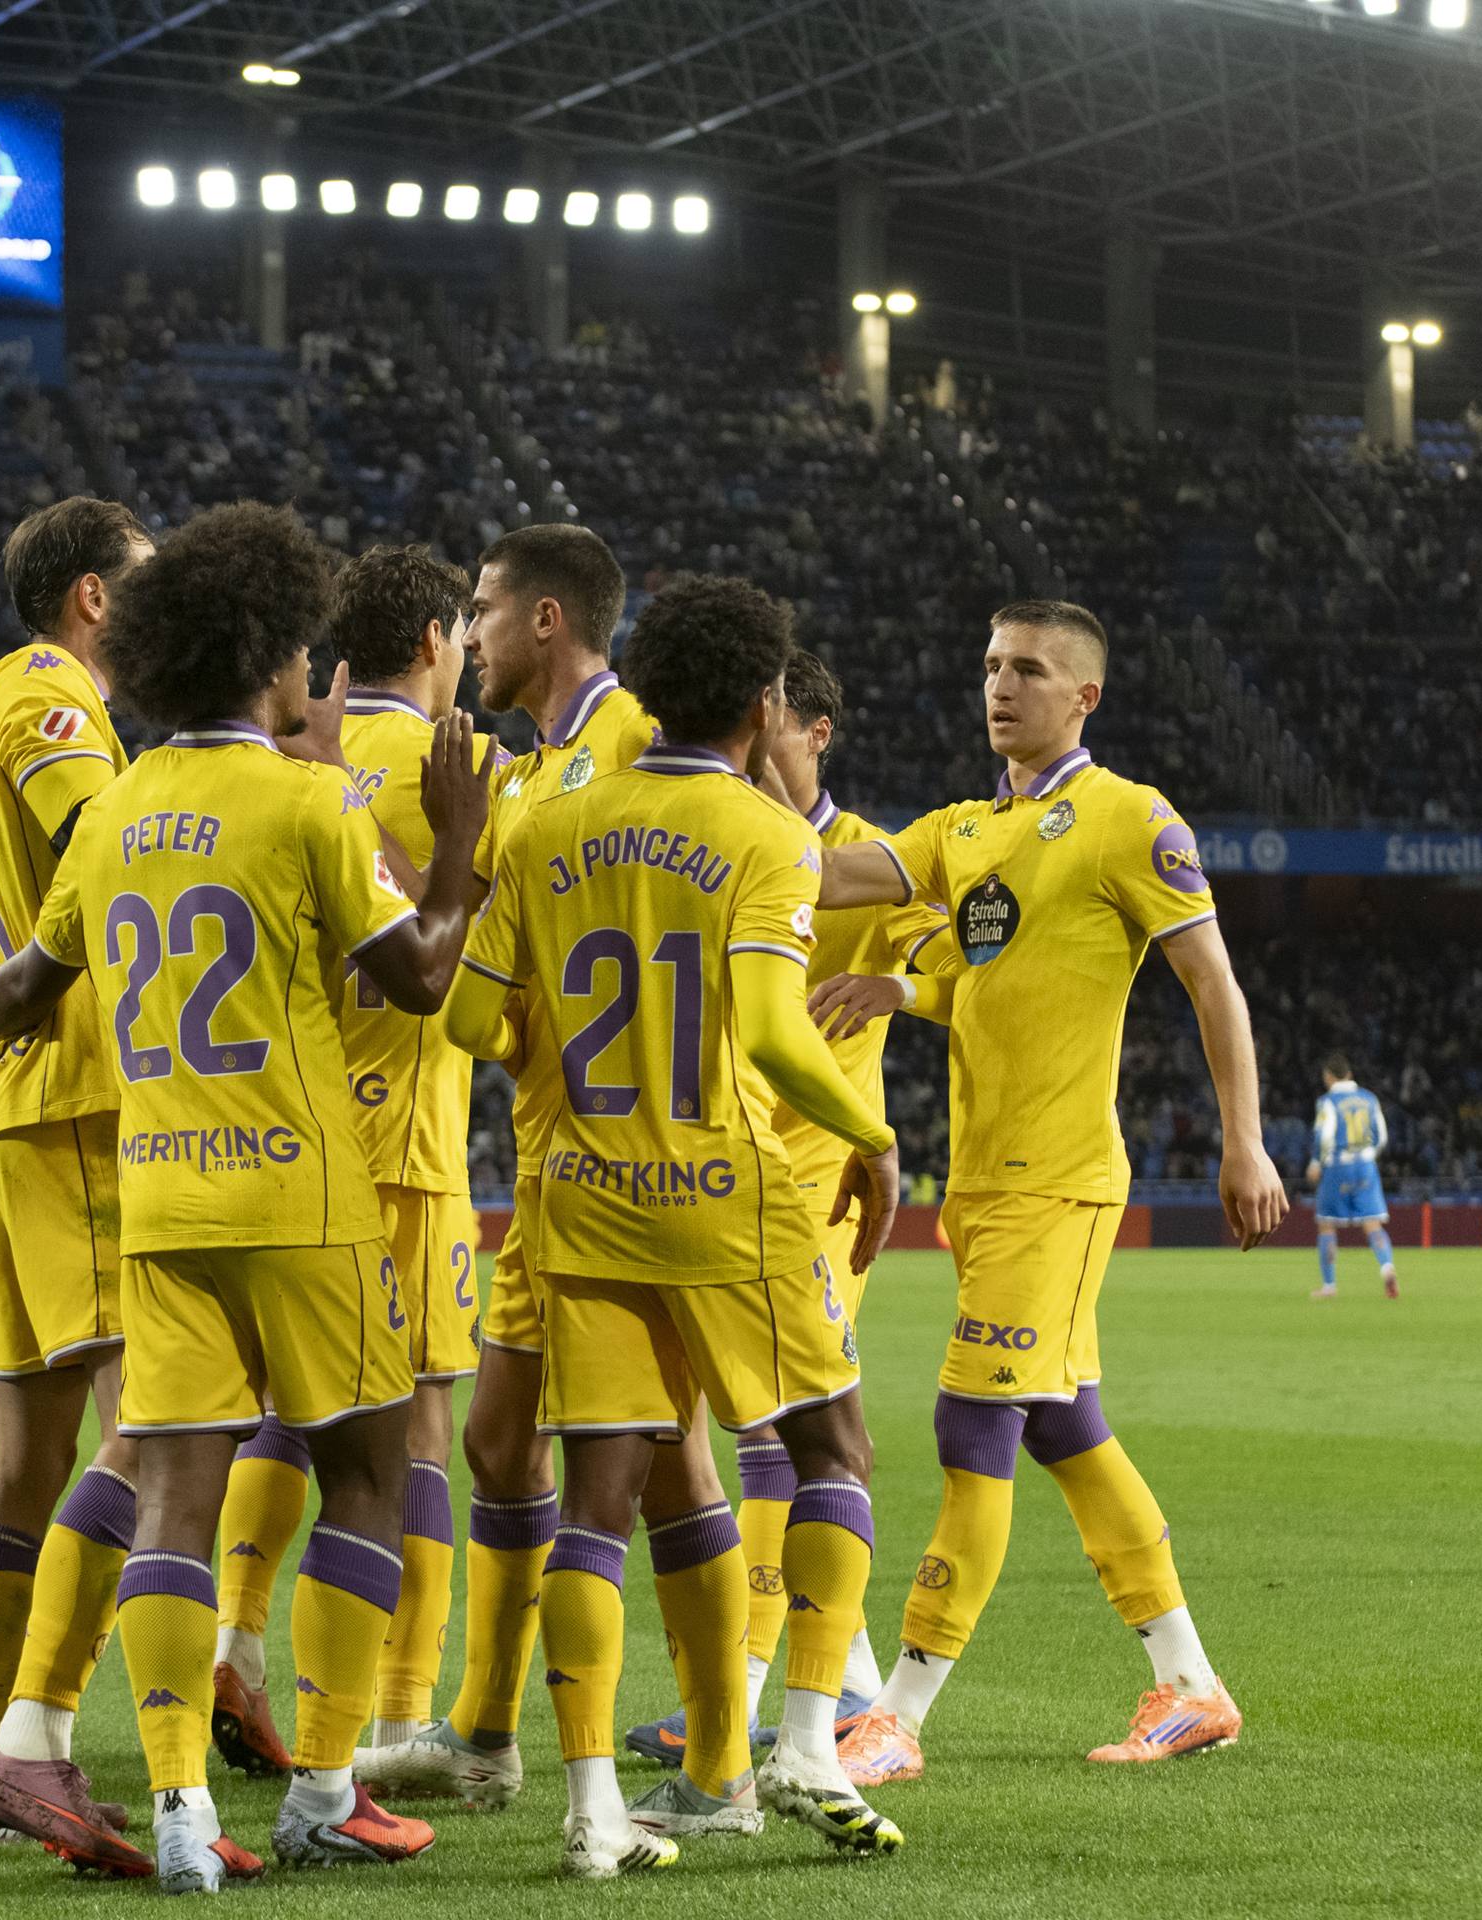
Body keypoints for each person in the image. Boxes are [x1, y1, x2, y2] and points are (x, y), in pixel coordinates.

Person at [0, 502, 491, 1893]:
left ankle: (187, 1812)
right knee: (370, 1477)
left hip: (164, 1207)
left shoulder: (117, 810)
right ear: (265, 661)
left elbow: (9, 993)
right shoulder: (307, 799)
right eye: (305, 655)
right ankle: (324, 1788)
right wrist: (458, 845)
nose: (317, 678)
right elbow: (423, 976)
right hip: (307, 1196)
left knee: (172, 1505)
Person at [438, 575, 906, 1874]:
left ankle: (593, 1809)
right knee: (835, 1454)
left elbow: (473, 1025)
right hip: (726, 1197)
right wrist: (872, 1139)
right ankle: (806, 1737)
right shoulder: (770, 842)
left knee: (592, 1504)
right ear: (766, 708)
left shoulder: (543, 827)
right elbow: (768, 1031)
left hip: (581, 1203)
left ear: (642, 696)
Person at [807, 599, 1287, 1781]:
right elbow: (842, 874)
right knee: (1068, 1427)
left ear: (1085, 697)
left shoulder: (1131, 819)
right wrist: (900, 991)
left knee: (969, 1421)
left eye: (1027, 668)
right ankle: (1190, 1688)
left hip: (1060, 1180)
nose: (999, 686)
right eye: (988, 665)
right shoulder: (967, 829)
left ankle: (898, 1715)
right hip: (983, 1183)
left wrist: (1246, 1144)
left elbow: (1214, 987)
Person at [354, 524, 658, 1815]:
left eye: (479, 610)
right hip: (545, 1164)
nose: (462, 634)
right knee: (494, 1444)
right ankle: (482, 1734)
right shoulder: (534, 769)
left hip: (639, 1171)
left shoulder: (638, 739)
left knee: (651, 1463)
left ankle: (742, 1749)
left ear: (544, 620)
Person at [206, 545, 501, 1778]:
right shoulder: (465, 771)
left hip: (296, 1142)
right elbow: (460, 954)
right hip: (412, 1159)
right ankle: (395, 1718)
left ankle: (238, 1642)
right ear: (434, 639)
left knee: (288, 1413)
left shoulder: (279, 761)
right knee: (420, 1429)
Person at [624, 648, 938, 1766]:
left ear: (816, 732)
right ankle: (848, 1690)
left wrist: (905, 986)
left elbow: (976, 961)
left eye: (782, 737)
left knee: (779, 1430)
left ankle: (754, 1689)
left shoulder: (865, 858)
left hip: (826, 1182)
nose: (763, 754)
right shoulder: (720, 844)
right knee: (721, 1426)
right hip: (715, 1166)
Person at [0, 497, 153, 1866]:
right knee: (161, 1424)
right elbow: (118, 849)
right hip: (76, 1105)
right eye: (150, 581)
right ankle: (33, 1746)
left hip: (11, 1120)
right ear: (92, 599)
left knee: (27, 1461)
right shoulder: (53, 701)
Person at [1307, 1055, 1397, 1300]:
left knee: (1326, 1224)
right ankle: (1387, 1268)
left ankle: (1329, 1285)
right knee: (1372, 1223)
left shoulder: (1328, 1101)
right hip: (1366, 1165)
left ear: (1328, 1075)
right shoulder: (1369, 1098)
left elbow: (1324, 1135)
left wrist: (1316, 1162)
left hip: (1338, 1166)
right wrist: (1367, 1155)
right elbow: (1382, 1137)